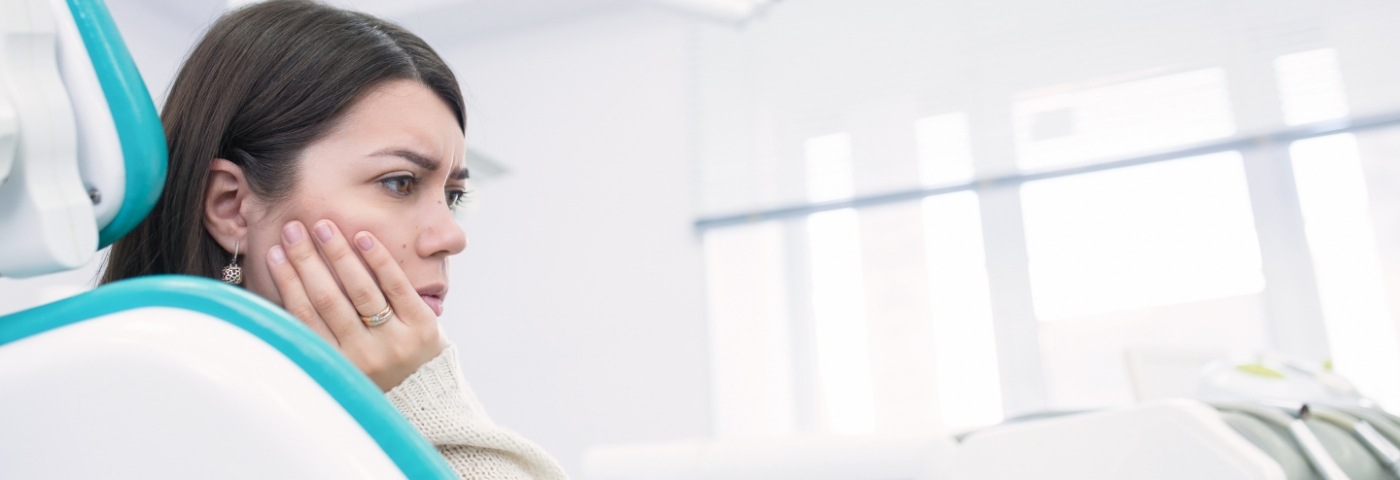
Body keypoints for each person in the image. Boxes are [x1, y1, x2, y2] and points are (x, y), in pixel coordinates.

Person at [100, 1, 566, 478]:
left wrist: (420, 396)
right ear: (232, 206)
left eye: (453, 196)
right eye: (399, 182)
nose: (451, 236)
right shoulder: (113, 426)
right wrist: (423, 397)